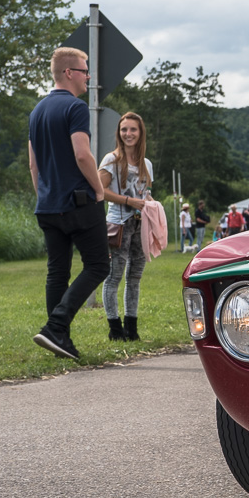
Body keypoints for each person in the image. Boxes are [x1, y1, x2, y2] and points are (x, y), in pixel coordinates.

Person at [28, 47, 110, 360]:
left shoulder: (37, 111)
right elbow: (82, 154)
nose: (88, 76)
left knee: (57, 273)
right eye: (84, 70)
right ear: (68, 73)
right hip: (78, 203)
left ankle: (58, 339)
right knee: (99, 265)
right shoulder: (75, 108)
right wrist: (98, 189)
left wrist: (43, 194)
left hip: (48, 205)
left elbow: (34, 164)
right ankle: (56, 325)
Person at [99, 111, 154, 342]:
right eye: (124, 129)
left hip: (140, 225)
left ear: (140, 133)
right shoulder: (111, 159)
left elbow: (146, 193)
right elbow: (100, 191)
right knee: (114, 277)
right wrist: (129, 201)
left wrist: (150, 204)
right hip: (118, 225)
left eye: (133, 129)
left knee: (135, 278)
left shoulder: (146, 164)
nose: (128, 134)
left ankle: (132, 329)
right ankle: (115, 328)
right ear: (119, 133)